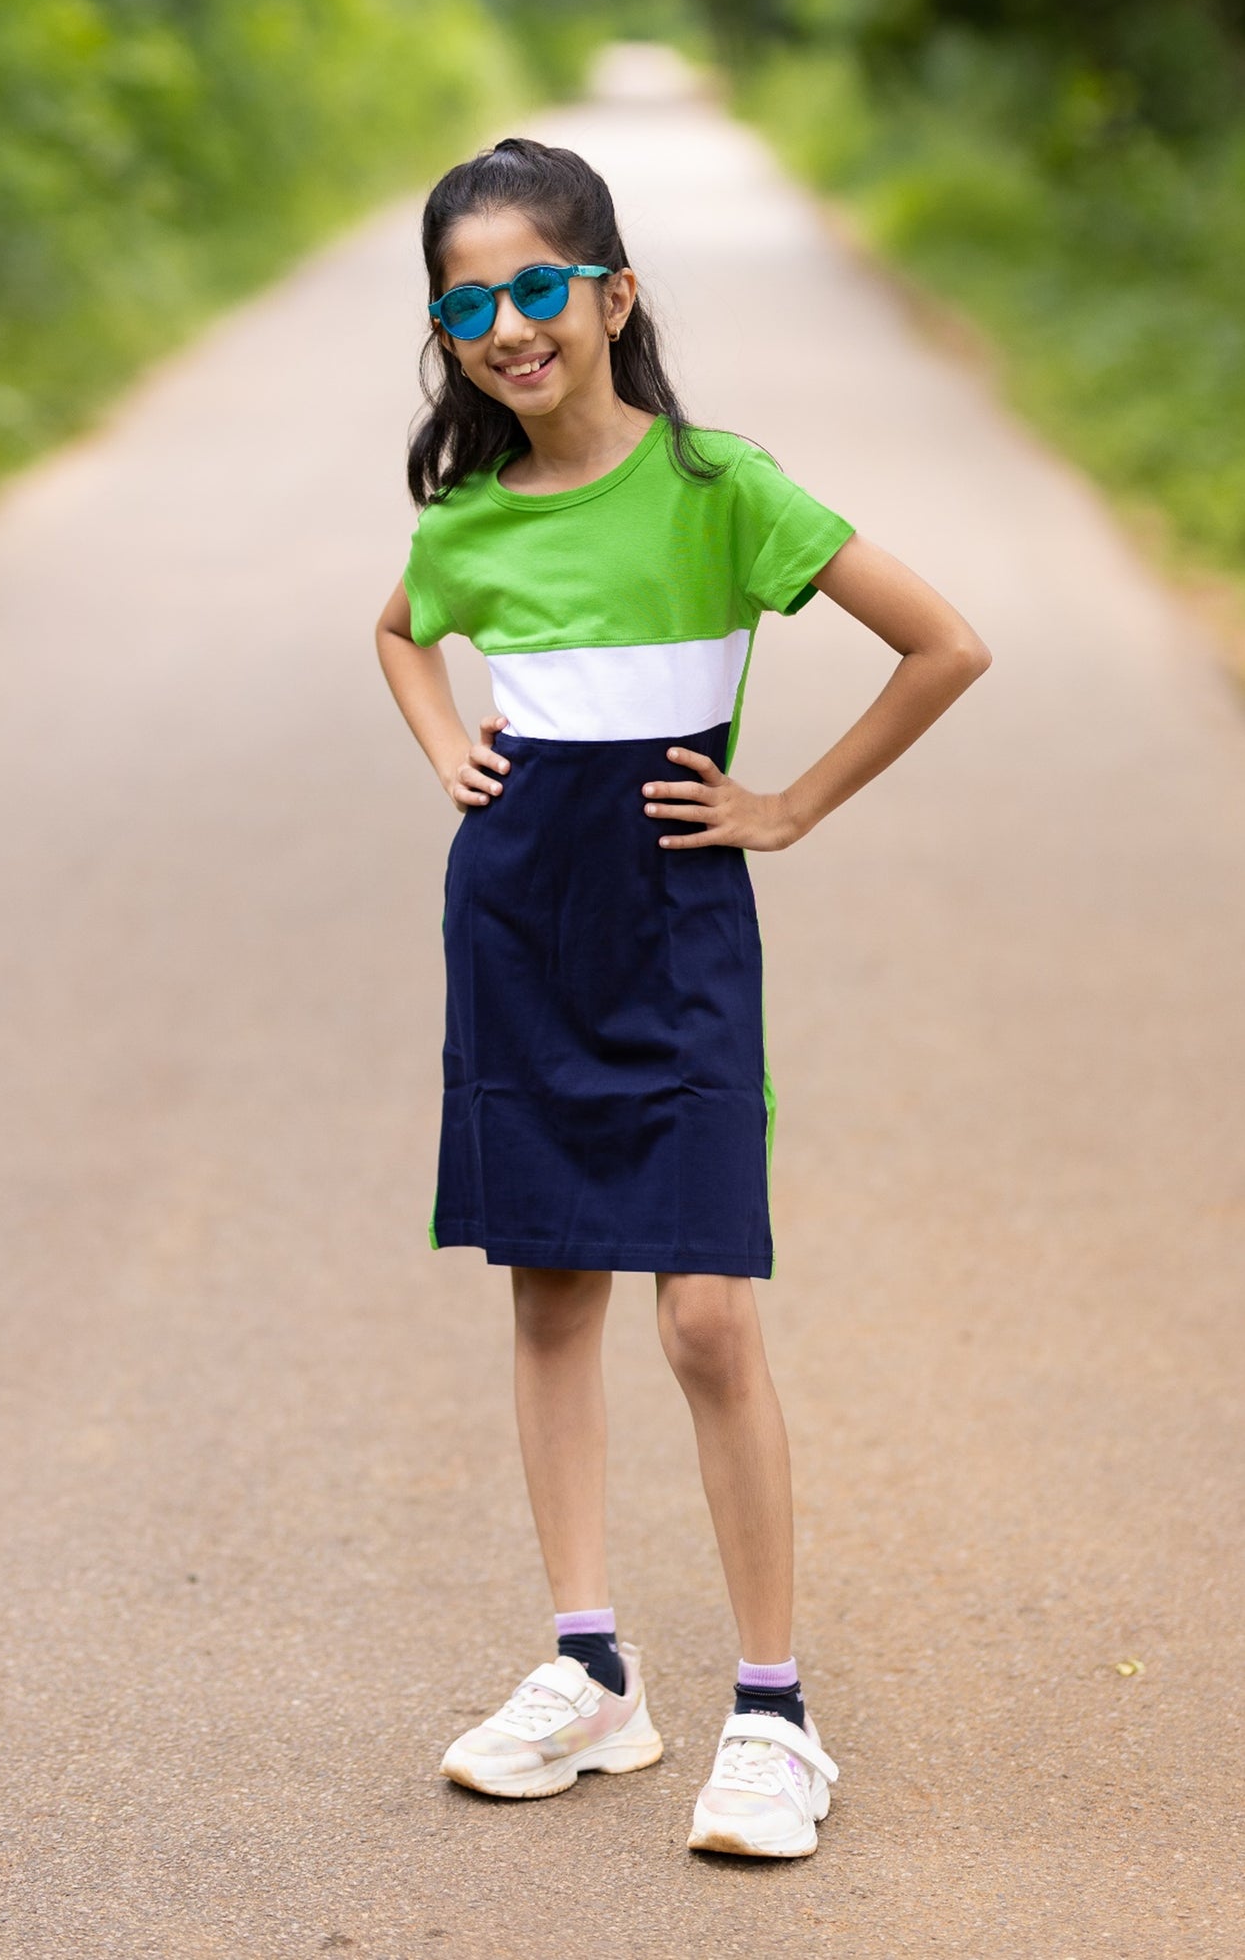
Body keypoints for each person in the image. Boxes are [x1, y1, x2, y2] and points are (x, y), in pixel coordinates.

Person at [375, 135, 991, 1858]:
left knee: (707, 1321)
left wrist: (784, 803)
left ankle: (775, 1715)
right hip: (512, 936)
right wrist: (446, 749)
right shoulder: (472, 516)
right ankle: (590, 1675)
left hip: (674, 939)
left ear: (611, 293)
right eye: (467, 302)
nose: (506, 325)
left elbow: (941, 640)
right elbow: (401, 632)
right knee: (551, 1297)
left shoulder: (724, 489)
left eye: (536, 288)